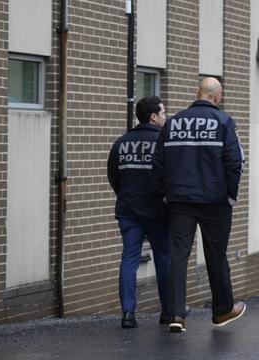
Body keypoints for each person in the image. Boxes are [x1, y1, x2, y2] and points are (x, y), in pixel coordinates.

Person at [153, 78, 246, 333]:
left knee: (178, 255)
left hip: (180, 200)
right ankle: (222, 310)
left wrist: (165, 194)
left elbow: (158, 163)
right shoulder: (224, 123)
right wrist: (230, 196)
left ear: (198, 93)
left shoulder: (172, 123)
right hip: (215, 201)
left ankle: (175, 314)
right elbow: (234, 162)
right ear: (218, 96)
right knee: (216, 255)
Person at [107, 96, 171, 328]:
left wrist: (127, 197)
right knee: (164, 259)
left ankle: (127, 314)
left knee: (129, 259)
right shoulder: (164, 143)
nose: (166, 117)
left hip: (129, 210)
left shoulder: (121, 142)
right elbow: (169, 177)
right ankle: (167, 312)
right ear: (153, 117)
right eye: (163, 113)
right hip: (158, 212)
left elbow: (114, 178)